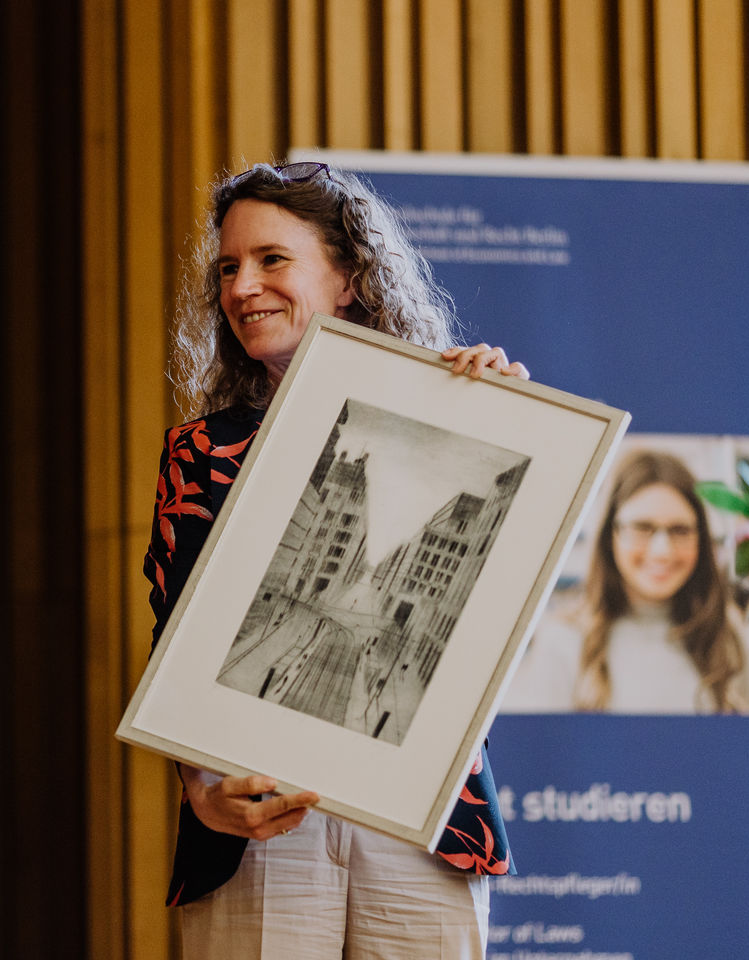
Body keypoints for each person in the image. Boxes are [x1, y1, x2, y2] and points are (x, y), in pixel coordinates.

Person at [143, 160, 530, 959]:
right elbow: (173, 647)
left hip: (420, 825)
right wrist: (205, 796)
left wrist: (516, 424)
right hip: (261, 828)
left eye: (271, 259)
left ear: (350, 276)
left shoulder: (469, 416)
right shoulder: (201, 455)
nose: (242, 286)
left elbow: (510, 608)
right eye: (227, 268)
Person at [504, 449, 749, 714]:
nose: (662, 551)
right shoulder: (563, 641)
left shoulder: (729, 638)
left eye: (680, 530)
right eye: (642, 528)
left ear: (701, 539)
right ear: (611, 535)